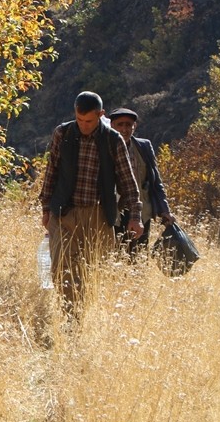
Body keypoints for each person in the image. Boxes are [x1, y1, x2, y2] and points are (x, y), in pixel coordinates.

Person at [38, 91, 144, 315]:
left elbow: (127, 180)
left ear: (101, 115)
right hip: (64, 213)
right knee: (61, 268)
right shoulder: (63, 133)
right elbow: (52, 171)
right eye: (79, 119)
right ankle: (70, 316)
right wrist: (46, 208)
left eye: (89, 121)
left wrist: (135, 216)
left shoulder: (112, 140)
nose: (84, 125)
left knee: (91, 270)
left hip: (97, 215)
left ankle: (82, 313)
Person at [108, 107, 175, 258]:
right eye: (120, 124)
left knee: (138, 257)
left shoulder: (143, 147)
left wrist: (164, 210)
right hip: (113, 214)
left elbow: (155, 180)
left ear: (134, 126)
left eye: (128, 125)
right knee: (114, 258)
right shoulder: (104, 147)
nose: (124, 129)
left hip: (140, 212)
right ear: (112, 125)